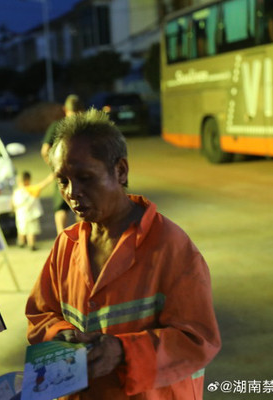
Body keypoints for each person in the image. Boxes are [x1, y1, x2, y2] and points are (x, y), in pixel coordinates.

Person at [25, 109, 221, 399]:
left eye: (85, 177)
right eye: (62, 181)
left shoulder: (171, 248)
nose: (72, 192)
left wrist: (122, 350)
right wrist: (60, 335)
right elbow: (41, 314)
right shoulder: (66, 246)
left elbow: (198, 340)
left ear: (120, 171)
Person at [41, 94, 85, 234]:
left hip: (62, 173)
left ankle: (62, 238)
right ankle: (83, 237)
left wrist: (55, 167)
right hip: (81, 173)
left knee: (61, 209)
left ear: (65, 109)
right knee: (82, 207)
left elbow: (45, 151)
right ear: (81, 111)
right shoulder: (84, 128)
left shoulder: (56, 126)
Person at [11, 171, 51, 251]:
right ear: (27, 180)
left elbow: (12, 203)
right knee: (31, 230)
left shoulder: (16, 192)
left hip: (20, 215)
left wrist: (13, 210)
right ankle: (31, 244)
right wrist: (51, 177)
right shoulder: (31, 190)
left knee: (21, 228)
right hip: (31, 214)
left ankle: (21, 242)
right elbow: (42, 185)